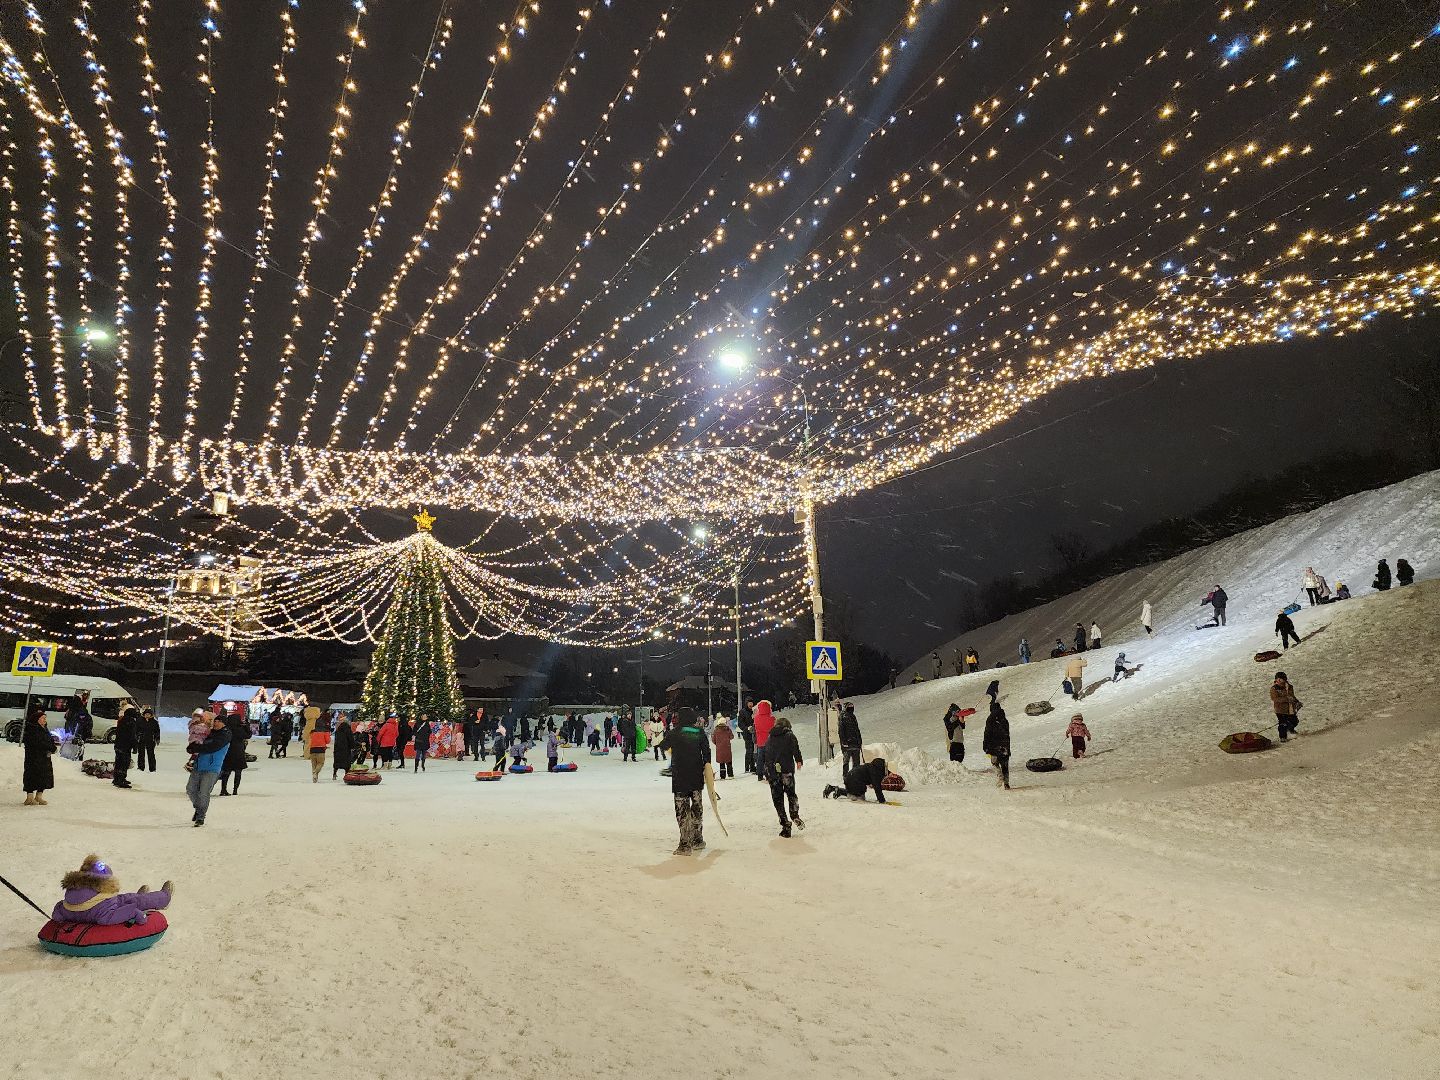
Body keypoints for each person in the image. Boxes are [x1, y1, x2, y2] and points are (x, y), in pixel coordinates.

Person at [52, 855, 173, 926]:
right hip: (101, 907)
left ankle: (139, 896)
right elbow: (111, 916)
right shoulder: (102, 909)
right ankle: (164, 898)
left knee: (127, 898)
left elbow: (57, 914)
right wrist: (138, 914)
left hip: (92, 907)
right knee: (130, 900)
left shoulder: (68, 901)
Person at [658, 707, 708, 855]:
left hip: (680, 778)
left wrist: (675, 749)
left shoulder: (674, 733)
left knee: (682, 810)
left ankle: (685, 844)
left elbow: (663, 746)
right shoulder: (699, 732)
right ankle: (697, 839)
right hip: (696, 777)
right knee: (697, 807)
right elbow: (707, 752)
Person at [186, 714, 230, 826]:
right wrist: (192, 746)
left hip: (212, 767)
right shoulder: (208, 732)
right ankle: (199, 808)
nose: (216, 723)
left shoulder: (225, 735)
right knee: (190, 789)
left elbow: (212, 747)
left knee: (203, 792)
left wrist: (197, 748)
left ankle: (200, 817)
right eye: (215, 721)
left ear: (224, 723)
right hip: (199, 765)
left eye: (219, 721)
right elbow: (196, 741)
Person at [765, 715, 804, 837]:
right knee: (791, 794)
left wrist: (766, 772)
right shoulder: (789, 735)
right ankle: (794, 815)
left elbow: (766, 754)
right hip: (787, 770)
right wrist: (799, 761)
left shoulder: (770, 737)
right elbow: (795, 749)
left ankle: (785, 824)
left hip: (773, 772)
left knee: (778, 799)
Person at [22, 705, 56, 806]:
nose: (45, 720)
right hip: (34, 758)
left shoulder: (45, 729)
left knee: (44, 777)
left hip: (44, 758)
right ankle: (29, 797)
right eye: (43, 718)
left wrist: (52, 747)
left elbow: (49, 741)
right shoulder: (32, 730)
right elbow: (37, 743)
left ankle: (39, 796)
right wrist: (49, 747)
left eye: (45, 718)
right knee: (32, 776)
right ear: (37, 719)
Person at [823, 756, 889, 803]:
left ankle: (834, 789)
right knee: (859, 798)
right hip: (855, 780)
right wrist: (882, 801)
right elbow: (877, 788)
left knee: (853, 792)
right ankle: (840, 791)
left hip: (849, 777)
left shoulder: (870, 767)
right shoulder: (874, 772)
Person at [217, 713, 249, 796]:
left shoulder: (226, 729)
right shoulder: (239, 729)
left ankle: (223, 789)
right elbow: (248, 735)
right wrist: (246, 726)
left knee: (226, 772)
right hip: (239, 752)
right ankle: (235, 790)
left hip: (227, 752)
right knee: (238, 772)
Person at [982, 700, 1010, 790]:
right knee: (1005, 765)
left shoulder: (990, 719)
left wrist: (985, 746)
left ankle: (999, 775)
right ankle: (1006, 783)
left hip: (994, 746)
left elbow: (987, 733)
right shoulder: (1004, 720)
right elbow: (1007, 734)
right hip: (1004, 746)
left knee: (994, 763)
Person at [112, 702, 139, 789]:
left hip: (119, 745)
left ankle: (116, 779)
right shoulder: (131, 722)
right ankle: (121, 779)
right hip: (126, 746)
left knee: (118, 761)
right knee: (124, 763)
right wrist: (135, 747)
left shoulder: (121, 720)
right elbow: (132, 736)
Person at [1270, 671, 1302, 742]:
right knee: (1283, 724)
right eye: (1279, 679)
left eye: (1282, 679)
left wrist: (1297, 702)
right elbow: (1274, 699)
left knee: (1294, 721)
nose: (1280, 681)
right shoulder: (1274, 689)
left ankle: (1290, 730)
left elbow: (1292, 696)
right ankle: (1283, 737)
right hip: (1280, 710)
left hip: (1290, 708)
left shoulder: (1289, 687)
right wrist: (1286, 699)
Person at [752, 699, 776, 783]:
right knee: (769, 759)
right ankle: (768, 775)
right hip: (770, 742)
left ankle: (759, 775)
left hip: (760, 742)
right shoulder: (772, 718)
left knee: (760, 759)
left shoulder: (756, 718)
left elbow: (754, 729)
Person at [836, 703, 862, 774]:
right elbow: (841, 730)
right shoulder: (842, 716)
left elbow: (857, 729)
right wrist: (844, 742)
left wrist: (859, 740)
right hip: (847, 745)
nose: (851, 709)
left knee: (856, 762)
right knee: (846, 762)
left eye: (852, 707)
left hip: (855, 744)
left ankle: (855, 776)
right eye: (849, 707)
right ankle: (846, 776)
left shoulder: (853, 716)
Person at [134, 707, 160, 772]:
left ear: (151, 715)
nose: (147, 715)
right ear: (144, 714)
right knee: (141, 754)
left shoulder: (154, 722)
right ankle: (140, 767)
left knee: (151, 755)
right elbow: (136, 730)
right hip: (141, 740)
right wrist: (137, 737)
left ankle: (152, 768)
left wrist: (157, 739)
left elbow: (157, 731)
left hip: (150, 740)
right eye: (146, 714)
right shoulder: (139, 720)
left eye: (149, 714)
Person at [331, 713, 354, 779]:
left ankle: (334, 774)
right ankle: (346, 774)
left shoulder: (338, 729)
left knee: (337, 761)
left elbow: (336, 739)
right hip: (346, 748)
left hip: (338, 748)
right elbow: (350, 738)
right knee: (346, 762)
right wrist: (352, 746)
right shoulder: (348, 729)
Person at [711, 715, 735, 779]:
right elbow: (732, 737)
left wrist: (718, 744)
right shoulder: (727, 729)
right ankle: (730, 775)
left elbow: (713, 740)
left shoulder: (716, 730)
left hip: (719, 749)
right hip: (727, 748)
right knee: (729, 762)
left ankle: (722, 776)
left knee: (721, 763)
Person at [306, 717, 329, 782]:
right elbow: (328, 741)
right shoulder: (325, 731)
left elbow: (309, 739)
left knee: (314, 764)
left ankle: (315, 778)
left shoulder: (312, 732)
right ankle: (315, 773)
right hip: (321, 749)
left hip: (312, 749)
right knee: (320, 763)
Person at [737, 699, 755, 773]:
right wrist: (746, 728)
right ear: (746, 704)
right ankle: (747, 768)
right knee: (749, 750)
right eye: (749, 703)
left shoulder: (754, 711)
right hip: (747, 733)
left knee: (753, 750)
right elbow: (740, 723)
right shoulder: (742, 712)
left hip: (754, 733)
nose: (751, 705)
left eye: (752, 703)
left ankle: (752, 767)